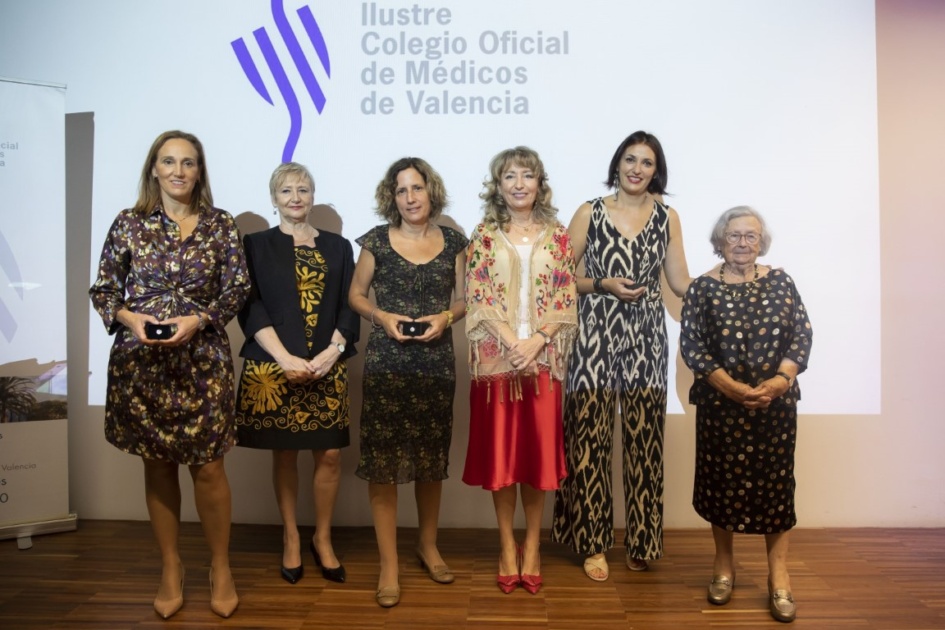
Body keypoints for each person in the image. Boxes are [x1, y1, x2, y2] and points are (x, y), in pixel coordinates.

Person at [89, 130, 250, 619]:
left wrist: (198, 319)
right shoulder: (128, 223)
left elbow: (237, 289)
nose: (178, 171)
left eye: (188, 162)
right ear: (153, 169)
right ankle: (170, 566)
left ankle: (220, 567)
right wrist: (130, 318)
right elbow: (104, 291)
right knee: (157, 465)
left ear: (199, 171)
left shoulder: (221, 224)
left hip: (204, 361)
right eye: (169, 161)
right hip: (141, 365)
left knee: (210, 467)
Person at [552, 131, 691, 580]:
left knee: (645, 443)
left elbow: (680, 282)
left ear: (657, 171)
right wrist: (602, 284)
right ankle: (592, 543)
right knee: (588, 441)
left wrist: (730, 279)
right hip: (593, 337)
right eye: (630, 159)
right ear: (617, 164)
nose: (637, 168)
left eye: (647, 162)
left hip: (647, 340)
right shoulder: (589, 212)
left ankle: (642, 541)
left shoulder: (667, 217)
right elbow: (558, 277)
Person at [680, 206, 812, 623]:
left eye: (750, 236)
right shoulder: (702, 288)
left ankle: (779, 574)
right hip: (721, 407)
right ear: (720, 241)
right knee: (722, 486)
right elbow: (693, 347)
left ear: (761, 242)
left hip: (775, 407)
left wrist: (780, 381)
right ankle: (724, 566)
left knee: (776, 488)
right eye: (734, 235)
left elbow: (801, 334)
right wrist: (732, 388)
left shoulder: (782, 281)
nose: (742, 243)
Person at [349, 157, 468, 608]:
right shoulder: (376, 240)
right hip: (386, 363)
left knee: (429, 459)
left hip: (436, 365)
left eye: (417, 188)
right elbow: (355, 295)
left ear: (430, 191)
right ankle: (389, 564)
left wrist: (445, 317)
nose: (410, 197)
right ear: (391, 197)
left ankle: (427, 546)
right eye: (401, 190)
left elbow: (466, 299)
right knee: (383, 464)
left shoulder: (455, 242)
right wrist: (380, 316)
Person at [235, 162, 359, 586]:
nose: (295, 197)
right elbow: (250, 305)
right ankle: (290, 535)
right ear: (274, 198)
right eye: (286, 190)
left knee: (329, 455)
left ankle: (322, 538)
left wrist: (332, 352)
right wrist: (284, 358)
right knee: (284, 453)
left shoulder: (339, 247)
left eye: (303, 189)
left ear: (312, 196)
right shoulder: (256, 244)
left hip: (327, 364)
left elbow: (350, 304)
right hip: (275, 365)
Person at [463, 146, 578, 595]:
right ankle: (505, 545)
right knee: (503, 459)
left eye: (526, 175)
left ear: (539, 183)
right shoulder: (484, 235)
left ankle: (532, 546)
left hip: (543, 361)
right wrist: (514, 343)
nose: (518, 184)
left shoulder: (558, 236)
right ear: (498, 185)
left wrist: (538, 341)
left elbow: (566, 295)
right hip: (498, 360)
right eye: (509, 176)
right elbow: (478, 294)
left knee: (536, 459)